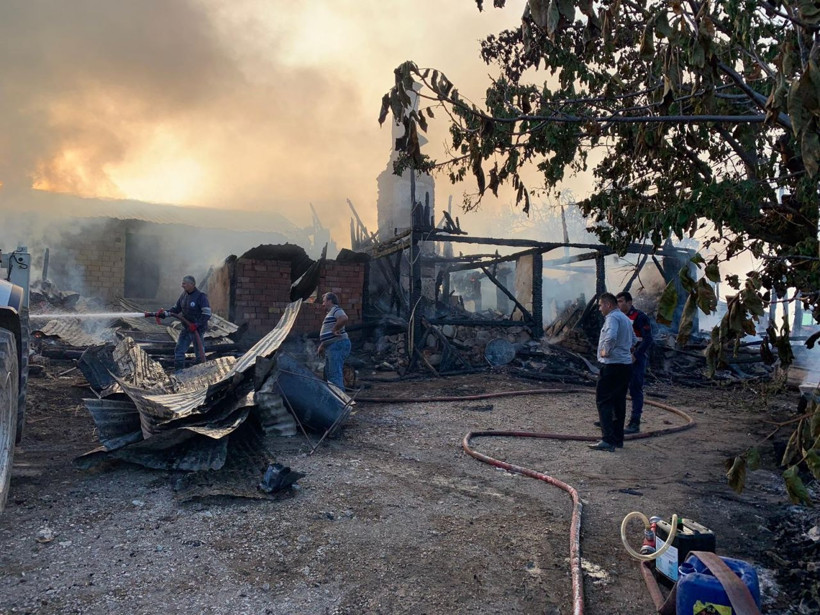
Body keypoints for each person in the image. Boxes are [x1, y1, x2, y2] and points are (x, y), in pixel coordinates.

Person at [589, 292, 636, 452]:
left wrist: (605, 352)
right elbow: (634, 340)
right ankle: (617, 439)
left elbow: (610, 337)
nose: (600, 309)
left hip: (612, 365)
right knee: (619, 402)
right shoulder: (625, 318)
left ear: (608, 305)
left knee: (603, 401)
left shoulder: (612, 318)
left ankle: (607, 440)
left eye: (601, 305)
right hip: (625, 366)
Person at [617, 291, 654, 433]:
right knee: (617, 388)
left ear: (629, 302)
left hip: (636, 358)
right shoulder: (618, 317)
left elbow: (648, 339)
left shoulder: (639, 317)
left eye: (621, 301)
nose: (619, 304)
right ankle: (613, 419)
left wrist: (636, 355)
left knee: (635, 389)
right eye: (618, 301)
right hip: (620, 357)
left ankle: (635, 422)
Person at [159, 275, 212, 371]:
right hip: (187, 328)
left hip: (198, 330)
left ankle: (201, 372)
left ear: (192, 284)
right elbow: (176, 309)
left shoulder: (201, 297)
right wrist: (165, 313)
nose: (182, 285)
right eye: (182, 283)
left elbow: (207, 314)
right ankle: (179, 373)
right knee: (179, 350)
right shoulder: (184, 296)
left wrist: (196, 324)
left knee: (199, 353)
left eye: (184, 283)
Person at [316, 292, 350, 390]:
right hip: (332, 345)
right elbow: (328, 334)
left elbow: (344, 318)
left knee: (334, 374)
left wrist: (335, 329)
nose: (323, 304)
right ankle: (333, 398)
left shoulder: (336, 310)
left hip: (337, 345)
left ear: (330, 301)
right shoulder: (331, 312)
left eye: (324, 301)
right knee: (329, 373)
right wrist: (323, 345)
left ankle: (340, 401)